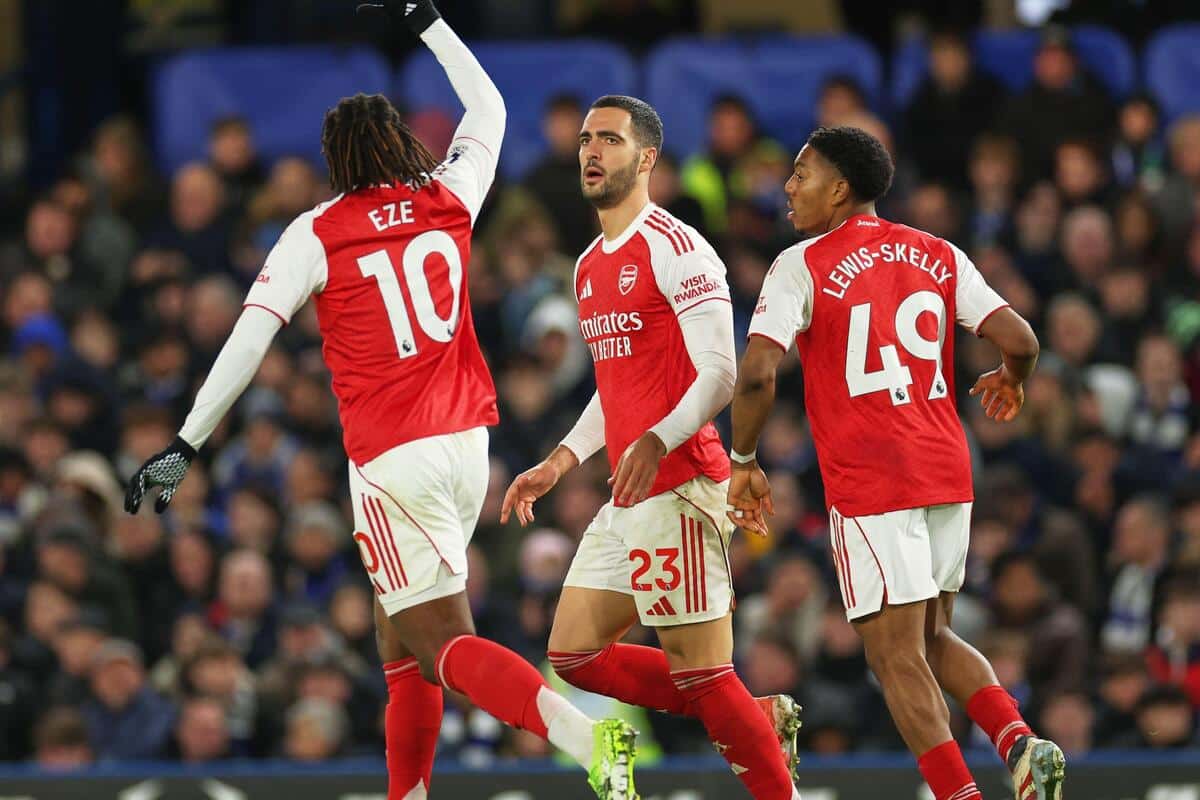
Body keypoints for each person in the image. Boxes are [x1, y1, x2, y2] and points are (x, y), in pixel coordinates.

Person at [121, 2, 636, 798]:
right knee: (400, 638)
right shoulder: (450, 194)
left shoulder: (318, 230)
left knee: (439, 642)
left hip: (393, 458)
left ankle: (587, 737)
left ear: (336, 160)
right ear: (401, 142)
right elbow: (490, 106)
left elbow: (247, 343)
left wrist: (185, 443)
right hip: (467, 446)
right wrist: (426, 19)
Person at [726, 125, 1064, 800]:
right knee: (933, 635)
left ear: (839, 189)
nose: (788, 187)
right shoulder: (937, 252)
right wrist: (1012, 378)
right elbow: (1022, 340)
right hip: (946, 467)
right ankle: (1017, 741)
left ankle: (959, 794)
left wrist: (743, 458)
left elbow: (759, 373)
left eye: (801, 174)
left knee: (893, 654)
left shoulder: (801, 263)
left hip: (872, 476)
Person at [501, 94, 801, 800]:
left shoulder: (678, 247)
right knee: (573, 653)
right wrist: (561, 460)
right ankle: (753, 718)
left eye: (610, 139)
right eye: (586, 139)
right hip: (631, 491)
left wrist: (658, 438)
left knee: (703, 674)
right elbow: (615, 386)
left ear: (647, 158)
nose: (592, 150)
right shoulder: (586, 266)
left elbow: (721, 373)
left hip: (683, 484)